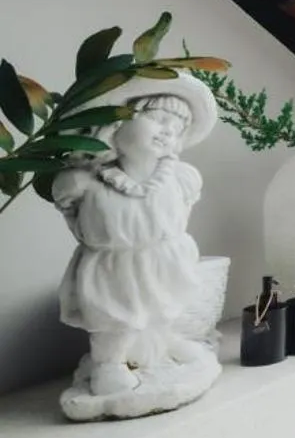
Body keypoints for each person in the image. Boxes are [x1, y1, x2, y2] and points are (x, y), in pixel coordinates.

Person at [52, 72, 218, 404]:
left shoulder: (182, 178)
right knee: (114, 319)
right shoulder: (83, 182)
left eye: (178, 126)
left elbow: (180, 215)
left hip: (163, 258)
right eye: (158, 118)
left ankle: (159, 344)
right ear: (115, 125)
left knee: (164, 307)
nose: (168, 130)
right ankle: (108, 365)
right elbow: (70, 212)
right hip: (112, 265)